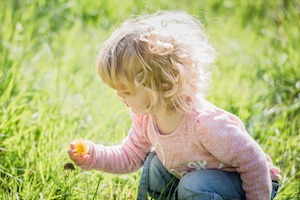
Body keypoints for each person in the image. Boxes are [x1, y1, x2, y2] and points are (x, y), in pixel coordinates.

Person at [68, 10, 281, 200]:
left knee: (193, 185)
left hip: (251, 185)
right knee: (154, 165)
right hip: (201, 181)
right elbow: (129, 156)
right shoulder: (147, 119)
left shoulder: (205, 125)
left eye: (126, 91)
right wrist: (93, 155)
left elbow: (254, 163)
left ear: (164, 85)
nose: (119, 96)